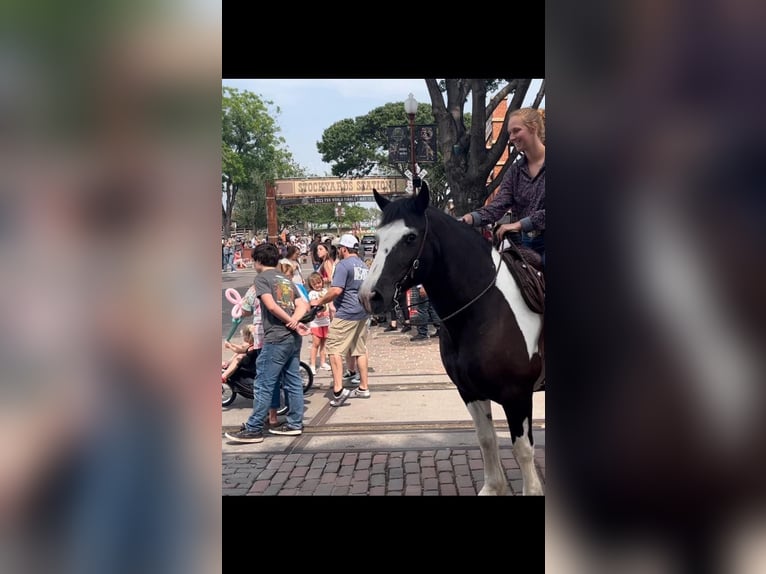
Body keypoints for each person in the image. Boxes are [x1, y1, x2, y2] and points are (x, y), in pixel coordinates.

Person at [225, 242, 311, 443]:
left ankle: (254, 428)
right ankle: (294, 423)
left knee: (264, 382)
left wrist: (288, 320)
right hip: (293, 338)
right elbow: (303, 304)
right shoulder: (285, 279)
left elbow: (270, 306)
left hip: (275, 337)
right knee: (292, 381)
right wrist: (295, 320)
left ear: (258, 260)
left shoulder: (262, 278)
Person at [459, 107, 545, 266]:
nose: (511, 137)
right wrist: (470, 218)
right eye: (510, 133)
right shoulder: (515, 171)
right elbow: (498, 205)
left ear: (533, 128)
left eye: (516, 131)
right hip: (525, 244)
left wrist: (519, 224)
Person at [309, 233, 371, 407]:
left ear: (344, 249)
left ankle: (338, 390)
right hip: (362, 312)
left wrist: (319, 301)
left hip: (346, 313)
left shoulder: (344, 265)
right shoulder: (363, 265)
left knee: (333, 349)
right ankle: (364, 387)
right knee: (359, 349)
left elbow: (336, 290)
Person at [306, 271, 332, 375]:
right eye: (315, 284)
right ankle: (312, 364)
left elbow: (329, 303)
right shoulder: (312, 293)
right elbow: (313, 305)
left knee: (324, 343)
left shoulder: (326, 290)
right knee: (315, 343)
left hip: (326, 321)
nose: (318, 285)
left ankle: (323, 362)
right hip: (316, 322)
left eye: (319, 282)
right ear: (311, 285)